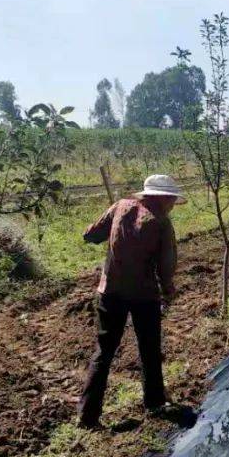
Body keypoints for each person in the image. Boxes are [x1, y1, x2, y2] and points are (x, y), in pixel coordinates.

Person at [78, 174, 184, 429]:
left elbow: (90, 235)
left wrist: (115, 233)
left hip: (110, 291)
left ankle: (87, 416)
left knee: (104, 351)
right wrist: (168, 289)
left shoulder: (120, 206)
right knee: (148, 348)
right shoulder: (161, 223)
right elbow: (166, 265)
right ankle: (154, 403)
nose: (171, 205)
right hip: (144, 295)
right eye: (171, 200)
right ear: (164, 198)